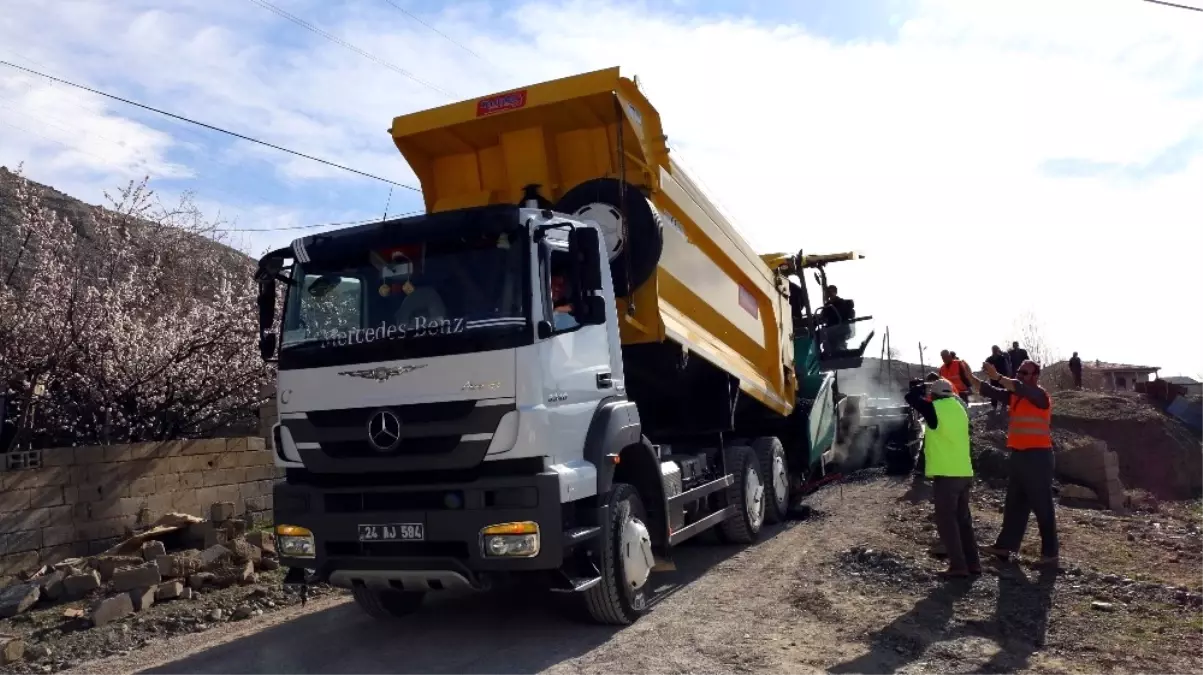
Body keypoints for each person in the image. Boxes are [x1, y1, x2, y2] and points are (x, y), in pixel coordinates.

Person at [964, 359, 1059, 567]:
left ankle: (1050, 554)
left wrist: (997, 376)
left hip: (1038, 457)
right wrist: (971, 378)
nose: (1020, 375)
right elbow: (990, 391)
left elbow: (1014, 386)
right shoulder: (1016, 396)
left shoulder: (1040, 395)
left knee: (1042, 506)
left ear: (1035, 376)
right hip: (1020, 456)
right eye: (1019, 372)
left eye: (1024, 373)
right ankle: (1005, 547)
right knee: (1014, 504)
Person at [905, 377, 980, 578]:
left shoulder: (935, 408)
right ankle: (973, 564)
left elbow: (911, 399)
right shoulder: (959, 408)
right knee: (963, 520)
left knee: (947, 521)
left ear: (934, 395)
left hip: (947, 475)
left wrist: (916, 388)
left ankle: (958, 566)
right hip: (964, 472)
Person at [985, 346, 1013, 411]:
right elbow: (985, 368)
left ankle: (1003, 406)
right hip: (994, 378)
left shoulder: (1002, 358)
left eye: (995, 349)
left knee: (1003, 391)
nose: (994, 351)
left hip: (1001, 377)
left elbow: (1007, 367)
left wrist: (1008, 376)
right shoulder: (989, 359)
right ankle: (995, 407)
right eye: (993, 350)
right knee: (993, 391)